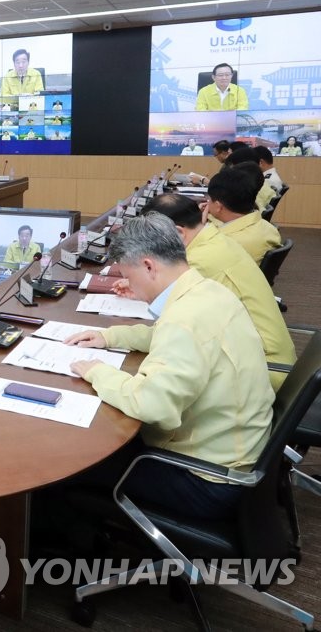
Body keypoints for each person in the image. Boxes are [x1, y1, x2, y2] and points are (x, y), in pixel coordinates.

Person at [63, 212, 274, 519]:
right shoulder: (206, 289)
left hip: (204, 478)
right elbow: (168, 335)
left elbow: (152, 405)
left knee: (71, 462)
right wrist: (110, 336)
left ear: (149, 266)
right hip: (233, 451)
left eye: (129, 276)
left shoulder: (184, 319)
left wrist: (97, 372)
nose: (129, 286)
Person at [138, 193, 294, 390]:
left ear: (178, 233)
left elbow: (167, 322)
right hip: (261, 355)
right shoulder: (215, 239)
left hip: (263, 368)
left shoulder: (197, 262)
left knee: (152, 380)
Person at [205, 166, 281, 264]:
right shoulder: (269, 228)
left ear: (218, 206)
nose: (207, 202)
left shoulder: (225, 242)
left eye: (209, 199)